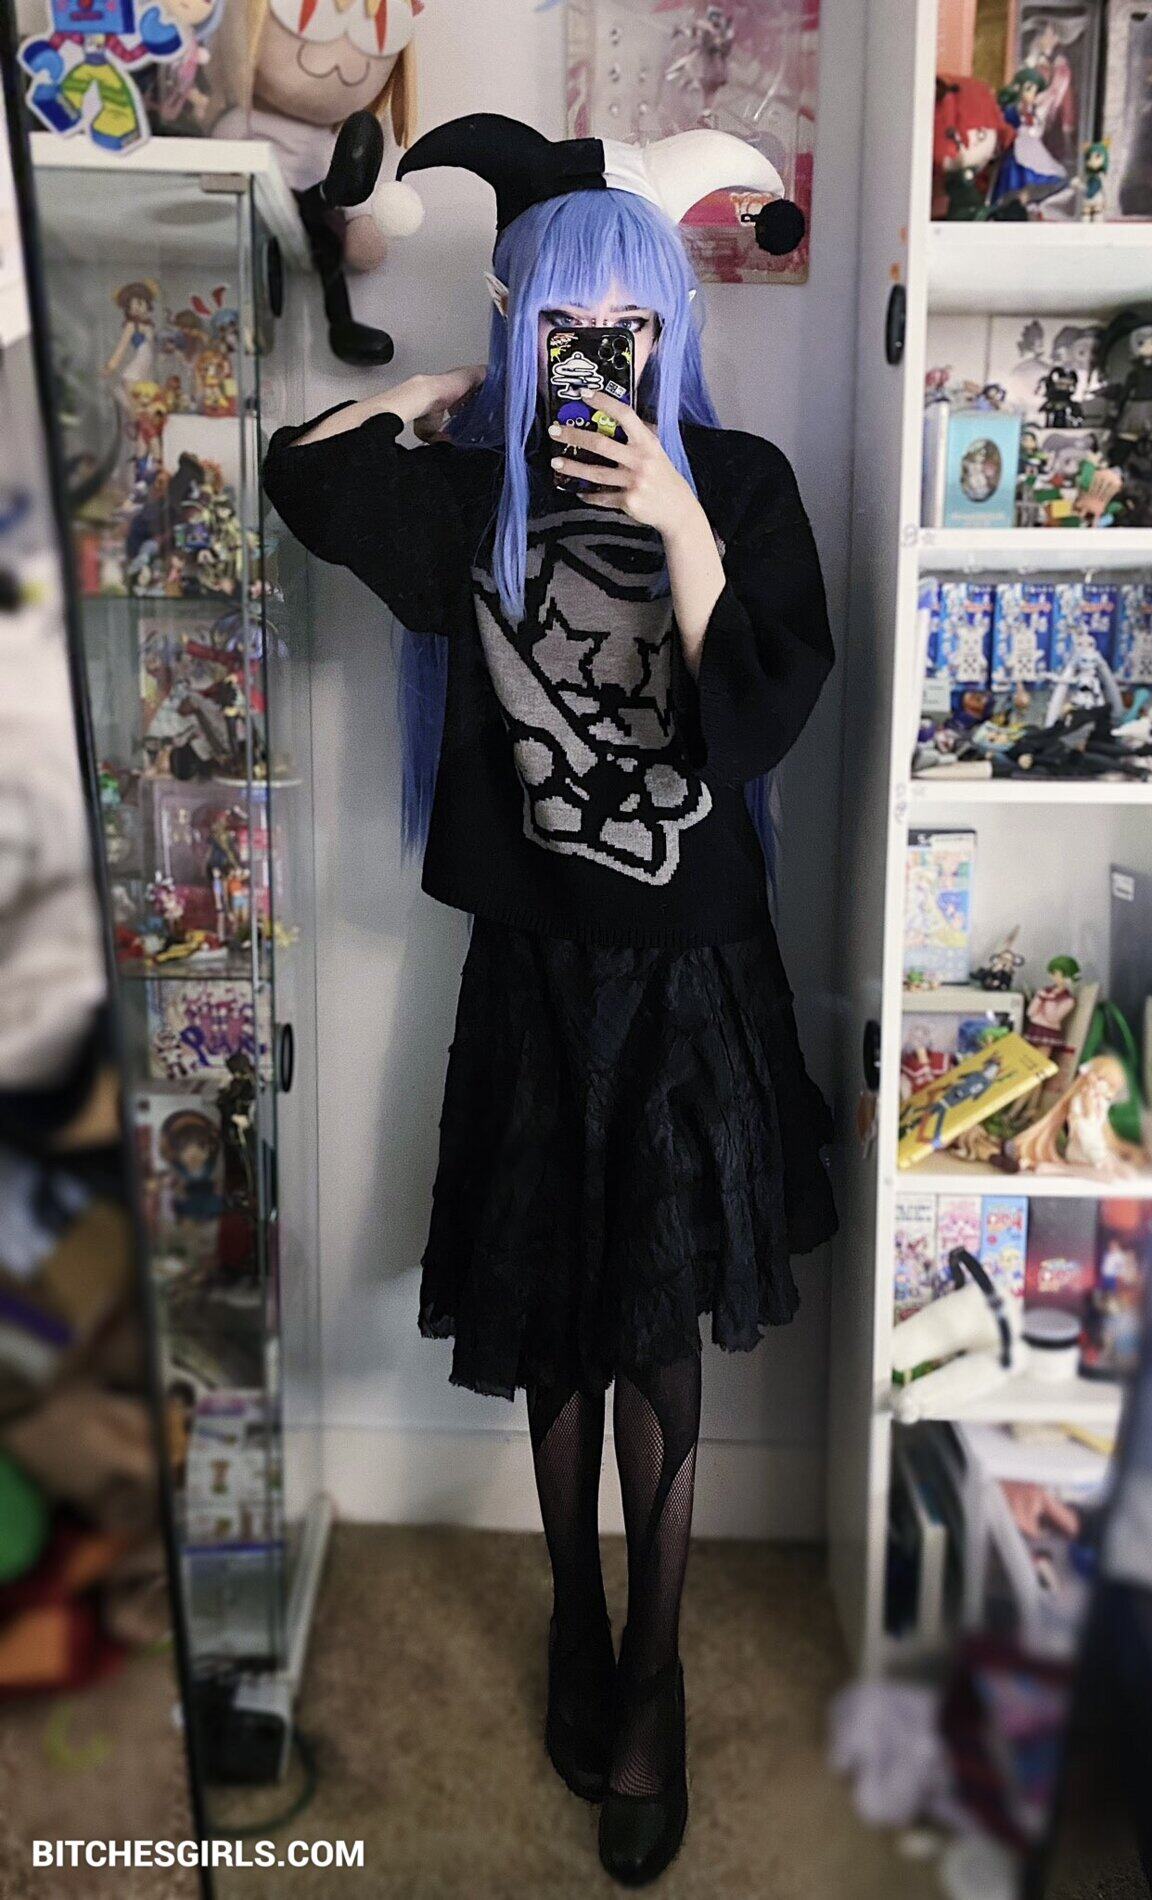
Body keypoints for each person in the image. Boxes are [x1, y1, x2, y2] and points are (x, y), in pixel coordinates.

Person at [263, 112, 832, 1887]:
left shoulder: (736, 485)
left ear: (673, 323)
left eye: (629, 322)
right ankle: (574, 1618)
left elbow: (760, 716)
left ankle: (651, 1672)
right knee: (549, 1311)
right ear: (526, 328)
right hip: (531, 965)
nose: (604, 353)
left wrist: (677, 526)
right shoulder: (472, 494)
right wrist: (438, 393)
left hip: (689, 975)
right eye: (567, 324)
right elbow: (302, 475)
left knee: (650, 1324)